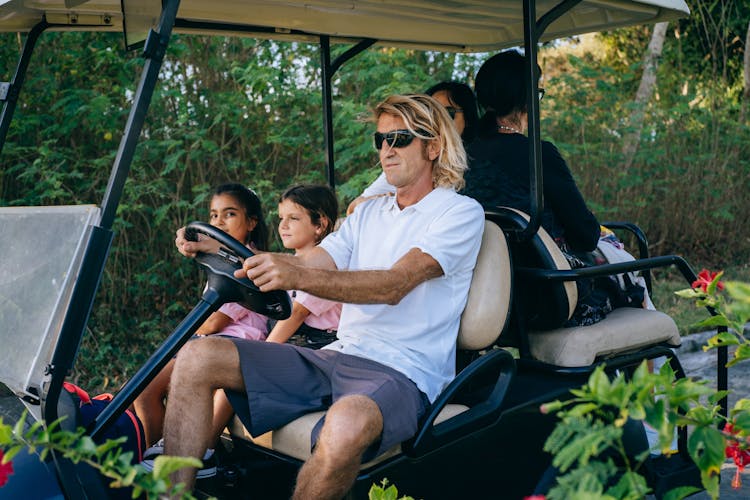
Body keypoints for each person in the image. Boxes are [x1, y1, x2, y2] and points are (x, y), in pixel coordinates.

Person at [164, 93, 485, 497]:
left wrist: (294, 275)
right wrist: (220, 249)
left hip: (403, 371)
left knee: (347, 422)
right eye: (380, 139)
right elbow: (314, 261)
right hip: (338, 353)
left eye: (400, 139)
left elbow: (393, 285)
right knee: (197, 356)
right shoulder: (369, 213)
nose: (386, 150)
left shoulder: (459, 213)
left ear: (434, 146)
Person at [134, 183, 270, 452]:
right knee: (143, 391)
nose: (219, 221)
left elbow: (213, 322)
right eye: (213, 215)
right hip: (208, 343)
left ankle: (179, 457)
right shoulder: (219, 259)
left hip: (234, 348)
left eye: (229, 214)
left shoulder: (251, 264)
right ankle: (154, 459)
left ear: (251, 222)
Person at [465, 49, 599, 253]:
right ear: (527, 100)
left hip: (480, 265)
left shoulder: (463, 153)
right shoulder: (539, 153)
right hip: (537, 276)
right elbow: (586, 236)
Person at [346, 81, 479, 215]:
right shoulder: (398, 166)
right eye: (429, 114)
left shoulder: (462, 209)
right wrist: (375, 205)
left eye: (447, 112)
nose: (387, 151)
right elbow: (353, 208)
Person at [265, 184, 342, 348]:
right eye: (281, 218)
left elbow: (298, 313)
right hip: (297, 338)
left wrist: (265, 350)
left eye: (293, 218)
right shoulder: (293, 261)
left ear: (319, 225)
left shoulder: (325, 265)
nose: (283, 225)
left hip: (321, 343)